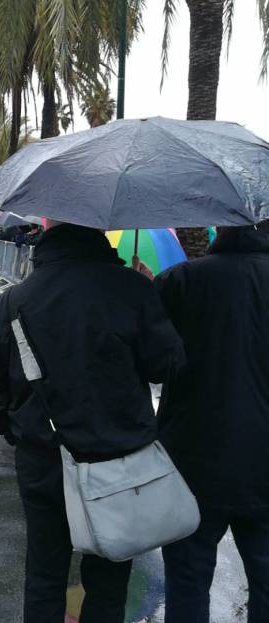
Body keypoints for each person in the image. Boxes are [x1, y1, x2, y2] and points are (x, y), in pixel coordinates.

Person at [0, 222, 184, 623]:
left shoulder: (15, 300)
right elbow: (167, 366)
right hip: (119, 460)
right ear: (98, 233)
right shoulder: (131, 289)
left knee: (44, 575)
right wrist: (146, 294)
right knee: (109, 581)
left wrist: (24, 436)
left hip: (44, 460)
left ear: (48, 236)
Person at [154, 222, 269, 623]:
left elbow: (153, 362)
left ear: (218, 224)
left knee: (187, 580)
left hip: (193, 461)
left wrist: (145, 294)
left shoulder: (181, 281)